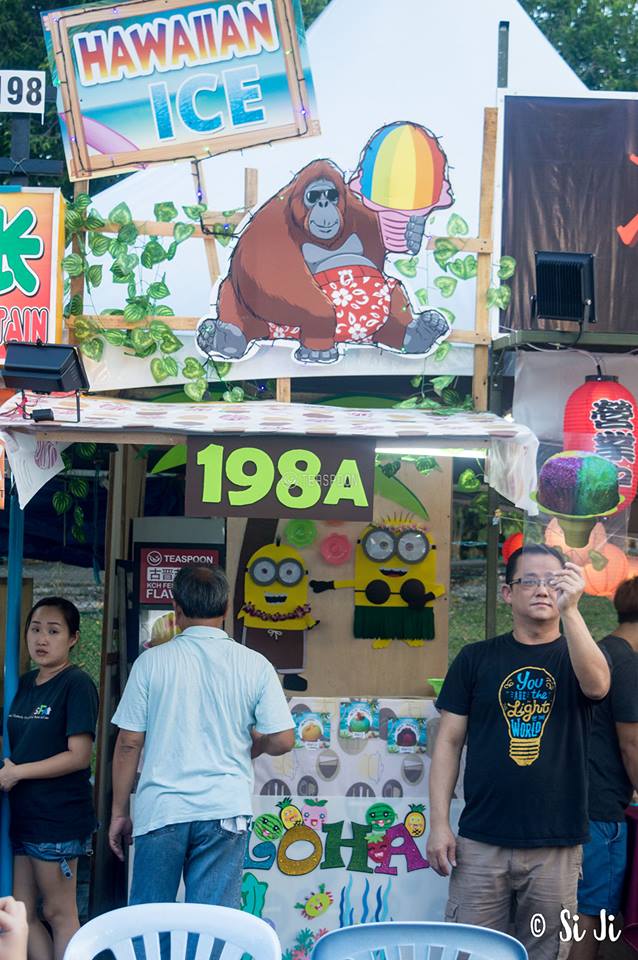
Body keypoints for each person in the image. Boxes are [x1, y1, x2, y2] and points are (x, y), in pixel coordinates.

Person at [427, 545, 610, 960]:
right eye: (530, 580)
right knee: (472, 951)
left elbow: (598, 686)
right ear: (508, 593)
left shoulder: (577, 655)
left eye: (554, 580)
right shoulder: (476, 659)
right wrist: (439, 823)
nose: (543, 589)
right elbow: (449, 742)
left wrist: (573, 612)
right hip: (479, 839)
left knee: (549, 951)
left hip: (557, 842)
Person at [109, 563, 294, 908]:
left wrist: (119, 811)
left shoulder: (150, 663)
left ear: (176, 609)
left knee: (150, 919)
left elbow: (128, 743)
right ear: (226, 609)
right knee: (212, 925)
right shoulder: (255, 664)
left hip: (162, 809)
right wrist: (254, 745)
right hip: (224, 808)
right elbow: (282, 739)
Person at [0, 598, 98, 960]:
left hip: (57, 819)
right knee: (22, 911)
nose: (42, 639)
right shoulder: (23, 684)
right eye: (36, 629)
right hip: (23, 816)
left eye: (53, 631)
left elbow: (79, 756)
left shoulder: (76, 684)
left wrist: (17, 773)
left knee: (59, 912)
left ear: (72, 638)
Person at [570, 575, 638, 960]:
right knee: (590, 914)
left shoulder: (599, 651)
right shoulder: (628, 663)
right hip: (602, 810)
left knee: (578, 909)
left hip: (579, 803)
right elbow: (632, 744)